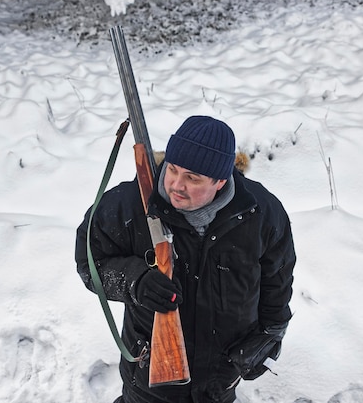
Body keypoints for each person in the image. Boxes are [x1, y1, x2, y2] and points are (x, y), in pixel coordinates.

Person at [76, 115, 296, 403]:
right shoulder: (128, 205)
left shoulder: (261, 213)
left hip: (222, 375)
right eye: (173, 169)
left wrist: (270, 335)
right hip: (148, 375)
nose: (176, 185)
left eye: (192, 178)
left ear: (220, 180)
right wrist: (136, 281)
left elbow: (276, 282)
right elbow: (90, 263)